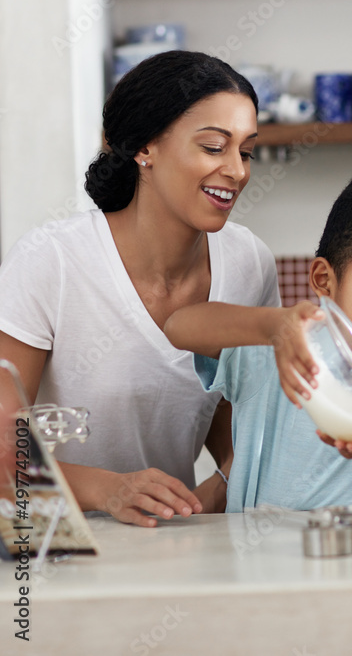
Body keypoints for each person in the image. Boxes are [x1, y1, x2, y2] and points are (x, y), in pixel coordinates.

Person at [0, 50, 279, 527]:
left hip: (164, 544)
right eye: (214, 147)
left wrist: (223, 486)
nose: (238, 171)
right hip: (51, 542)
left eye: (246, 150)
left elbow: (241, 427)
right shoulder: (52, 261)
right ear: (145, 149)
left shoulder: (249, 264)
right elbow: (4, 453)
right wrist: (107, 489)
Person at [164, 169, 352, 511]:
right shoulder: (277, 349)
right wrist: (271, 326)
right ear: (324, 280)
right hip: (256, 558)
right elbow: (178, 327)